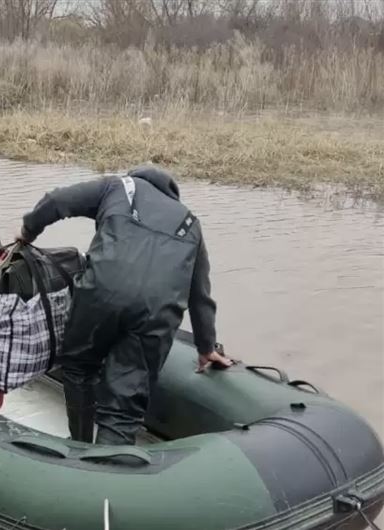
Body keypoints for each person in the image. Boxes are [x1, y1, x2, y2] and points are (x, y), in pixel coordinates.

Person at [18, 165, 233, 445]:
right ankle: (109, 475)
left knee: (80, 368)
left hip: (101, 294)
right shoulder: (190, 222)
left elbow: (57, 201)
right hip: (156, 315)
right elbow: (199, 293)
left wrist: (29, 230)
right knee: (123, 409)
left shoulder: (118, 186)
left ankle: (81, 447)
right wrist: (206, 347)